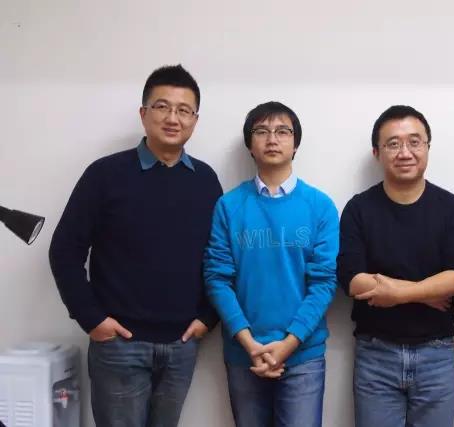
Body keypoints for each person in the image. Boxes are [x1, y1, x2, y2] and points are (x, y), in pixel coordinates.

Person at [49, 64, 222, 427]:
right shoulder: (105, 175)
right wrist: (92, 319)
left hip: (181, 346)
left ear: (194, 120)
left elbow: (219, 257)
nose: (173, 118)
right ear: (143, 114)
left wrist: (208, 317)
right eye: (162, 107)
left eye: (184, 110)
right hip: (119, 346)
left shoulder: (206, 181)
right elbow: (64, 250)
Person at [337, 105, 454, 427]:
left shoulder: (451, 208)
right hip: (376, 355)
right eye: (393, 144)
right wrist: (425, 293)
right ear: (377, 152)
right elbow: (352, 279)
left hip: (436, 354)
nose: (405, 152)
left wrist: (399, 294)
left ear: (427, 147)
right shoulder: (359, 209)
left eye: (415, 142)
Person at [203, 101, 339, 427]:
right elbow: (217, 278)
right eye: (262, 131)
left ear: (296, 143)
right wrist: (249, 344)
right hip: (244, 354)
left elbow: (324, 282)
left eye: (282, 131)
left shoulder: (320, 206)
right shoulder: (229, 205)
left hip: (303, 355)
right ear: (250, 145)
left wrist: (289, 343)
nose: (272, 139)